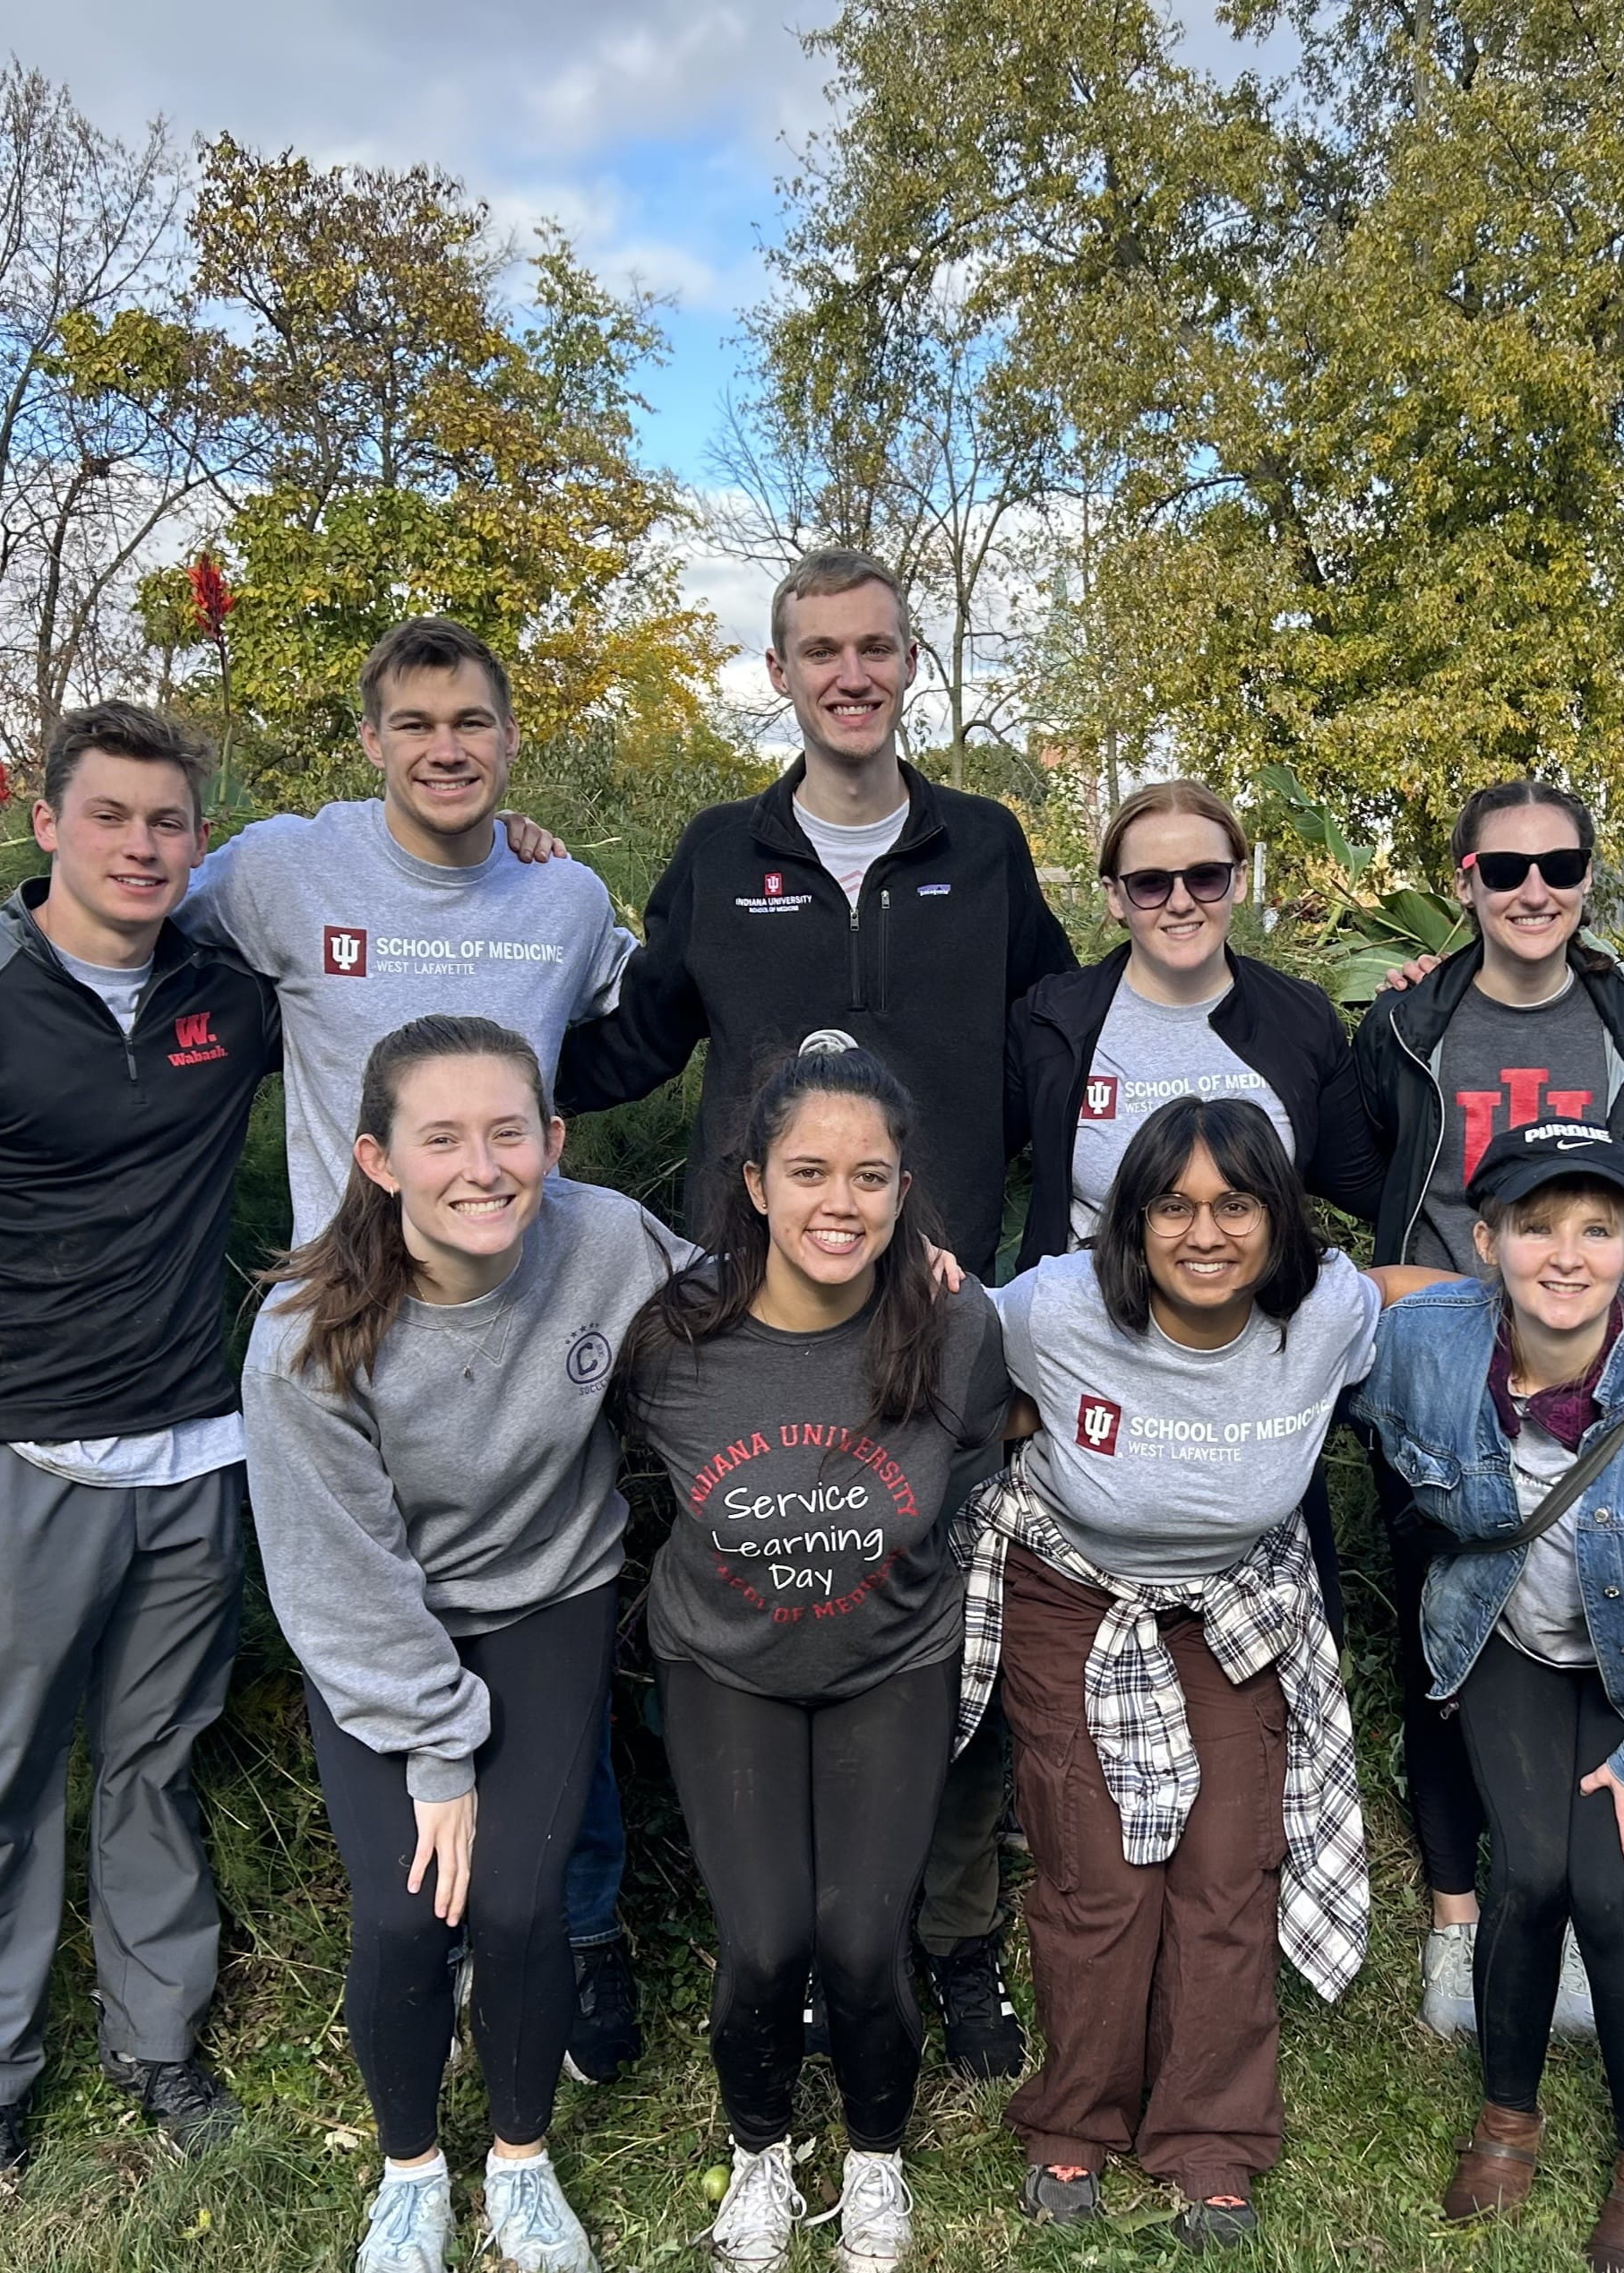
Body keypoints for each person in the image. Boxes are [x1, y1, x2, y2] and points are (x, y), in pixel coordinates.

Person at [0, 618, 658, 2083]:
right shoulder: (276, 874)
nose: (445, 748)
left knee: (546, 1626)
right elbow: (89, 922)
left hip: (497, 1332)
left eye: (471, 722)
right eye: (414, 723)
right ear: (371, 740)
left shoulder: (564, 893)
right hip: (337, 1346)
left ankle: (564, 1935)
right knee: (350, 1645)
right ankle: (388, 1947)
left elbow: (646, 1013)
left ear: (509, 736)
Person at [565, 547, 1077, 2077]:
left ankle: (955, 1938)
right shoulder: (721, 852)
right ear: (779, 674)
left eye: (874, 646)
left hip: (932, 1310)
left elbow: (1067, 1047)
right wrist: (435, 1074)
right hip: (761, 1316)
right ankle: (779, 1941)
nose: (848, 672)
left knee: (946, 1619)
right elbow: (623, 1045)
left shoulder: (982, 850)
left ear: (911, 662)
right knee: (773, 1601)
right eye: (817, 650)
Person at [0, 702, 278, 2205]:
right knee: (1, 1785)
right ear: (48, 825)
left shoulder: (227, 996)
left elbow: (393, 952)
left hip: (193, 1454)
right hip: (6, 1463)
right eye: (111, 817)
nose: (142, 845)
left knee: (154, 1764)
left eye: (168, 823)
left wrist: (517, 848)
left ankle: (161, 2047)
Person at [245, 1018, 690, 2273]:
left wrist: (914, 1285)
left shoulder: (604, 1240)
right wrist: (440, 1754)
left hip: (550, 1602)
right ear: (379, 1159)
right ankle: (409, 2171)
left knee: (515, 1902)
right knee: (402, 1916)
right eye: (442, 1137)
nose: (481, 1166)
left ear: (551, 1142)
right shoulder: (304, 1336)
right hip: (385, 1628)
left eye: (509, 1133)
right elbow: (341, 1577)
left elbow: (744, 1315)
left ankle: (519, 2160)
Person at [967, 1098, 1427, 2250]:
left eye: (1236, 1202)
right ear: (1131, 1220)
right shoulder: (1058, 1307)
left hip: (1234, 1601)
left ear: (1281, 1217)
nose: (1205, 1231)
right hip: (1076, 1595)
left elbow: (1421, 1292)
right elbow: (943, 1337)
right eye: (1173, 1204)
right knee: (1101, 1874)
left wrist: (1599, 1300)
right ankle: (1075, 2116)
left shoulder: (1320, 1310)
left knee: (1227, 1869)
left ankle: (1210, 2138)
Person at [1353, 1118, 1624, 2273]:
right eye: (1535, 1225)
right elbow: (1284, 1350)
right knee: (1531, 1874)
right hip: (1499, 1637)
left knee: (1611, 1895)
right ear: (1484, 1238)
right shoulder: (1424, 1343)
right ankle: (1508, 2114)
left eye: (1596, 1228)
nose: (1564, 1254)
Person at [617, 1045, 1012, 2273]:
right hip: (725, 1663)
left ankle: (875, 2159)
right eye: (808, 1172)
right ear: (752, 1182)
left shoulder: (955, 1327)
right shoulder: (675, 1342)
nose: (839, 1202)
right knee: (766, 1940)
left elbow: (991, 1473)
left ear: (904, 1192)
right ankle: (759, 2153)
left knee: (857, 1936)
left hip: (888, 1659)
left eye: (870, 1176)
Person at [1355, 779, 1624, 2037]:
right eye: (1505, 868)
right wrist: (1436, 1295)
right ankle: (1457, 1922)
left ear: (1589, 877)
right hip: (1446, 1386)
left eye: (1559, 864)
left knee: (1601, 1636)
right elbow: (1360, 1174)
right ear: (1464, 880)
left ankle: (1584, 1924)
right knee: (1447, 1655)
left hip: (1601, 1385)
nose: (1533, 888)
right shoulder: (1403, 1030)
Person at [1007, 778, 1387, 1622]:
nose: (1180, 902)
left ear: (1238, 881)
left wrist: (1420, 1016)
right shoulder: (1056, 1020)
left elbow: (1369, 1181)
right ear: (1113, 898)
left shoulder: (1297, 1019)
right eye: (1149, 883)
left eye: (1204, 877)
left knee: (1274, 1662)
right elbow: (963, 1157)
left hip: (1253, 1378)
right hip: (1103, 1361)